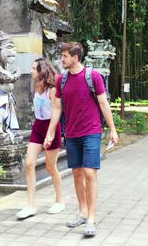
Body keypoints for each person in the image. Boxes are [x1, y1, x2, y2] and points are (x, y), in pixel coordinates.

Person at [44, 42, 118, 237]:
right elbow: (57, 108)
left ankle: (91, 218)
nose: (62, 59)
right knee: (76, 172)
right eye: (62, 56)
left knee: (89, 173)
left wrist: (113, 129)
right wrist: (51, 132)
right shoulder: (62, 80)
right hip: (72, 133)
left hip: (91, 132)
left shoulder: (93, 76)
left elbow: (103, 103)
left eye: (65, 56)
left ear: (75, 57)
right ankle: (82, 212)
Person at [15, 58, 65, 219]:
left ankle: (59, 201)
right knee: (29, 164)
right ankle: (30, 205)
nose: (31, 71)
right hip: (38, 127)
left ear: (41, 70)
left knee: (51, 167)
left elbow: (57, 112)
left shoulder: (53, 90)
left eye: (33, 68)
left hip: (52, 127)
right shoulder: (35, 87)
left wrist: (50, 134)